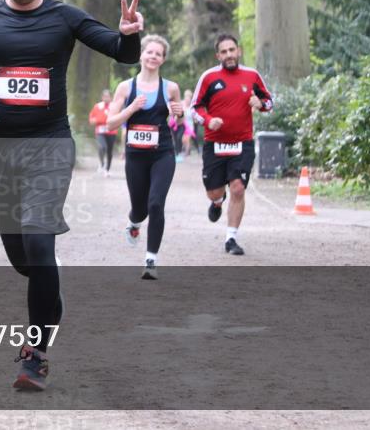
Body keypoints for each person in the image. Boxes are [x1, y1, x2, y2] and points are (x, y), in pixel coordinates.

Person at [0, 0, 143, 390]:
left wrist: (131, 36)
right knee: (23, 259)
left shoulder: (65, 17)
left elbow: (119, 51)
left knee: (38, 242)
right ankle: (48, 295)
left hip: (50, 145)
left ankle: (35, 354)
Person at [105, 34, 183, 280]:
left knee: (156, 204)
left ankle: (151, 260)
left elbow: (177, 120)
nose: (153, 57)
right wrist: (131, 108)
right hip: (136, 155)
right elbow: (110, 123)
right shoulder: (126, 88)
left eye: (158, 54)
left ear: (163, 60)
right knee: (140, 209)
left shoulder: (170, 88)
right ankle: (134, 222)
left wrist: (178, 114)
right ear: (141, 55)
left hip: (162, 153)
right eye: (149, 52)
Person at [190, 34, 274, 256]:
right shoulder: (209, 77)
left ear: (239, 51)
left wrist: (261, 103)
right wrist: (209, 120)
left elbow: (270, 101)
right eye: (224, 52)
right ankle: (217, 202)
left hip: (242, 143)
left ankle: (231, 239)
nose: (229, 55)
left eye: (232, 50)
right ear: (218, 55)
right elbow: (194, 108)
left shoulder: (252, 76)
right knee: (214, 192)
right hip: (214, 144)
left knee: (237, 188)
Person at [88, 89, 118, 176]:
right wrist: (97, 120)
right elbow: (91, 119)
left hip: (111, 131)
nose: (106, 98)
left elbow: (118, 118)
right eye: (104, 96)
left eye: (108, 96)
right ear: (102, 97)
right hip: (100, 131)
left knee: (109, 151)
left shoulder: (114, 106)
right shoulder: (97, 106)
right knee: (102, 147)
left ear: (111, 97)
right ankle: (101, 163)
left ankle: (107, 169)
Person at [180, 88, 196, 157]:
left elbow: (194, 117)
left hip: (190, 125)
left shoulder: (192, 106)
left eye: (188, 97)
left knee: (188, 139)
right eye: (186, 97)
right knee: (183, 139)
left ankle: (186, 153)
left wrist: (195, 118)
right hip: (183, 125)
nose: (187, 99)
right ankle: (187, 150)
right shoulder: (182, 103)